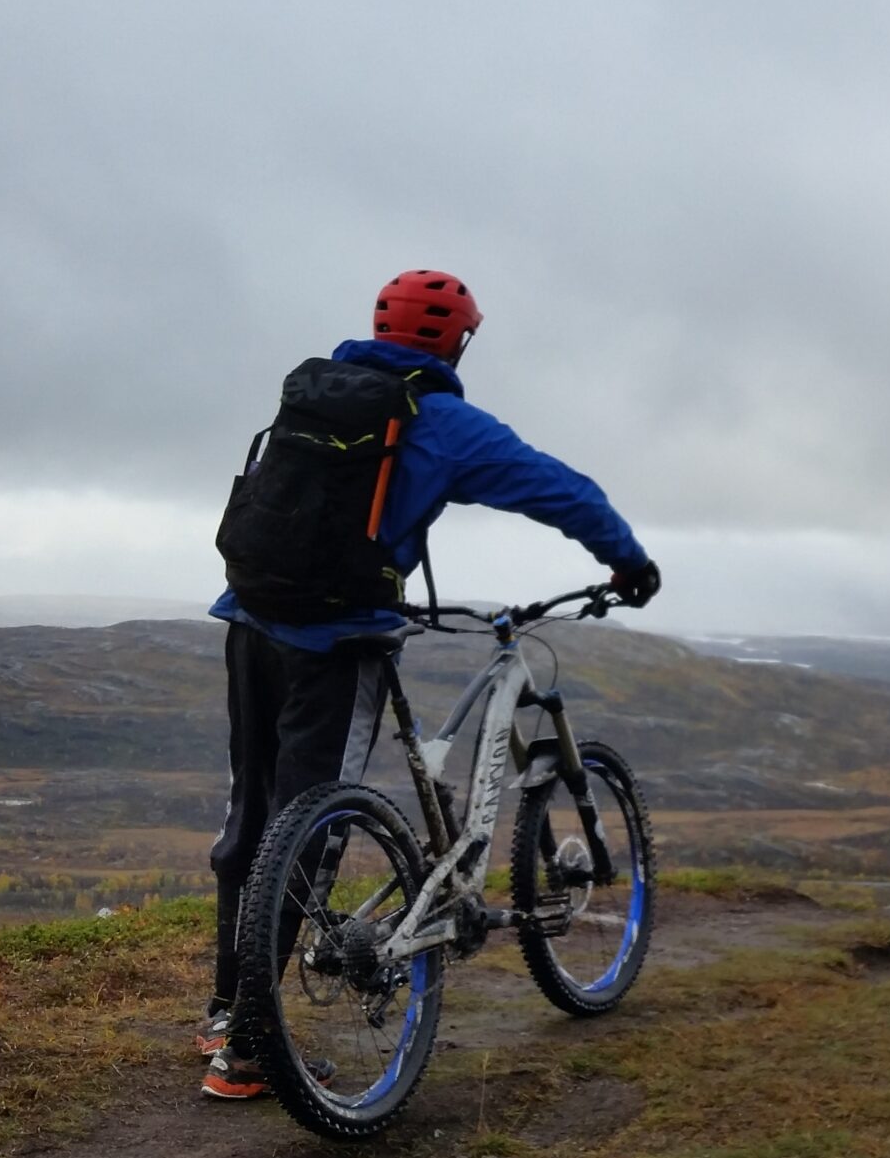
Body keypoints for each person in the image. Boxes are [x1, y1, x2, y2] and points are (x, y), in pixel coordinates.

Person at [197, 270, 659, 1100]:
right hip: (334, 642)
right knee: (310, 831)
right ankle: (249, 1052)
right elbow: (557, 488)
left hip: (248, 619)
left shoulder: (316, 392)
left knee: (252, 821)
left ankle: (226, 1012)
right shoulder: (439, 422)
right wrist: (628, 560)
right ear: (452, 341)